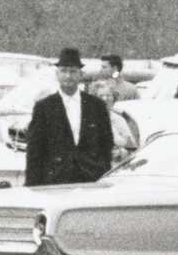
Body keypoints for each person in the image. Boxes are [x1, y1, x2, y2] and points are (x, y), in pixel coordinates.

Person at [25, 47, 115, 187]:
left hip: (91, 181)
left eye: (73, 71)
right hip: (55, 181)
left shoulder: (96, 106)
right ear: (57, 74)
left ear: (80, 74)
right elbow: (34, 151)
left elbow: (106, 145)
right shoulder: (44, 107)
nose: (68, 76)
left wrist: (102, 176)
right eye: (64, 71)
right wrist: (32, 186)